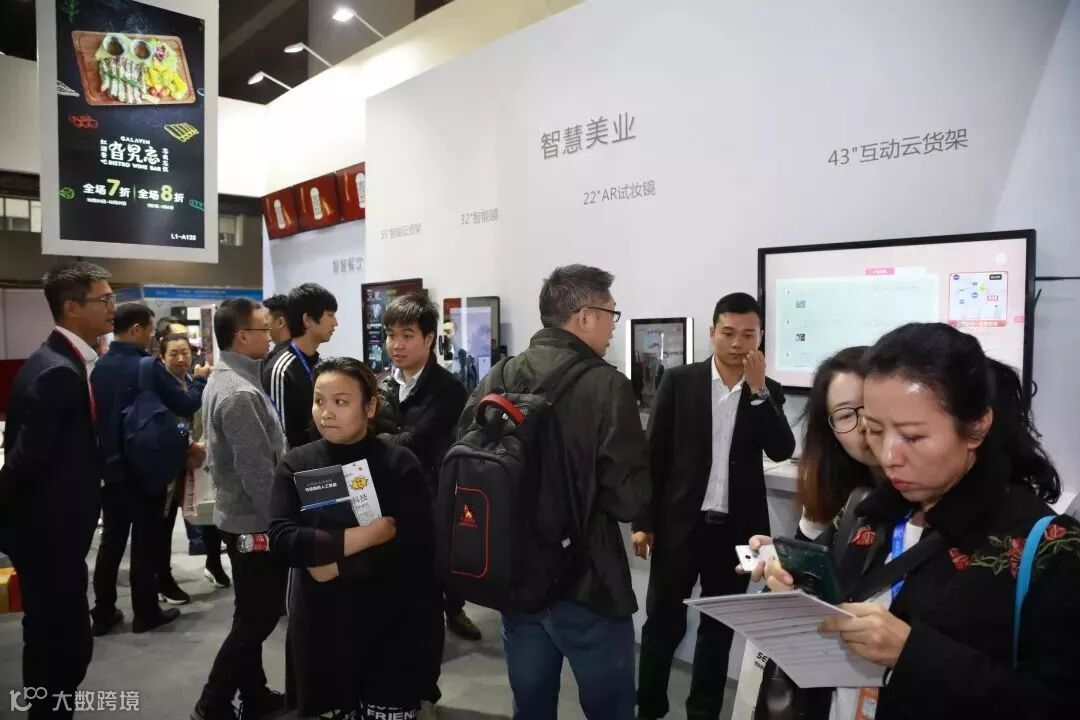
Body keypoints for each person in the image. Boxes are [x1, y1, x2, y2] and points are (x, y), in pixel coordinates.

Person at [761, 323, 1080, 719]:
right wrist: (793, 584)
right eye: (874, 431)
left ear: (976, 427)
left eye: (912, 437)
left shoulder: (1049, 547)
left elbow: (1056, 704)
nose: (888, 456)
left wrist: (911, 653)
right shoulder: (866, 511)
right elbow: (829, 603)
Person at [457, 264, 650, 720]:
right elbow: (629, 500)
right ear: (585, 317)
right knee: (611, 710)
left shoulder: (498, 376)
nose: (613, 326)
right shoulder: (608, 386)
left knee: (530, 707)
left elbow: (467, 456)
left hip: (515, 574)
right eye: (611, 314)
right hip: (588, 582)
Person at [634, 292, 795, 720]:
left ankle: (703, 713)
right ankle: (649, 707)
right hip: (679, 526)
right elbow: (654, 457)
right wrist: (644, 521)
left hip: (737, 533)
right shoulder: (679, 381)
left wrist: (759, 391)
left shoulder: (767, 391)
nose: (738, 343)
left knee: (719, 630)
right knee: (662, 623)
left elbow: (782, 449)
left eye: (748, 335)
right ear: (712, 333)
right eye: (728, 333)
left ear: (760, 337)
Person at [270, 357, 437, 720]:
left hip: (391, 622)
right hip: (322, 625)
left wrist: (335, 566)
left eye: (341, 402)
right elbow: (283, 539)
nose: (326, 412)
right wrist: (367, 535)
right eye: (319, 401)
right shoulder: (297, 464)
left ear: (370, 406)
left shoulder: (398, 464)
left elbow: (416, 547)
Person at [0, 262, 115, 719]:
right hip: (49, 536)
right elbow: (24, 462)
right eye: (103, 299)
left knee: (49, 639)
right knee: (63, 647)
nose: (113, 307)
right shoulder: (57, 372)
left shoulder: (60, 361)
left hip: (49, 533)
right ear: (71, 307)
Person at [371, 293, 474, 717]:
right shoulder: (380, 384)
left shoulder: (448, 389)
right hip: (381, 510)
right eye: (391, 334)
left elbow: (412, 442)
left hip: (429, 511)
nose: (396, 344)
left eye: (407, 335)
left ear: (429, 339)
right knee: (387, 604)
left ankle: (426, 691)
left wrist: (377, 439)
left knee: (426, 606)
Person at [192, 298, 288, 720]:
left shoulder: (231, 378)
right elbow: (258, 474)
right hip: (253, 524)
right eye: (264, 329)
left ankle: (254, 695)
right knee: (259, 617)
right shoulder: (238, 393)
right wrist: (280, 525)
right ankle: (212, 702)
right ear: (241, 336)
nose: (270, 336)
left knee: (249, 611)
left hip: (242, 519)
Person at [90, 303, 210, 630]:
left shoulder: (99, 367)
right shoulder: (147, 366)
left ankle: (103, 613)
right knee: (145, 543)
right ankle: (145, 613)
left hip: (109, 469)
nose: (150, 336)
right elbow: (185, 403)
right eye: (148, 329)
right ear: (137, 329)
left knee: (112, 542)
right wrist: (199, 380)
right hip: (145, 469)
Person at [158, 330, 231, 591]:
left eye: (185, 353)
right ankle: (163, 579)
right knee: (164, 523)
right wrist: (187, 444)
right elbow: (172, 423)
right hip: (169, 464)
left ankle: (213, 563)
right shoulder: (162, 385)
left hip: (198, 460)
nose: (180, 359)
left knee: (208, 511)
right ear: (162, 357)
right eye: (173, 354)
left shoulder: (193, 381)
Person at [795, 346, 879, 539]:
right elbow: (810, 552)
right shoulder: (829, 486)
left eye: (871, 406)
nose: (864, 425)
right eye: (846, 415)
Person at [264, 283, 339, 449]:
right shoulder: (281, 370)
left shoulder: (320, 364)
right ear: (307, 320)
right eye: (330, 315)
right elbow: (280, 437)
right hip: (298, 462)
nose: (335, 323)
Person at [263, 293, 292, 363]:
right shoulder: (305, 351)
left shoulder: (275, 359)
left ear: (280, 322)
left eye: (266, 326)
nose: (266, 331)